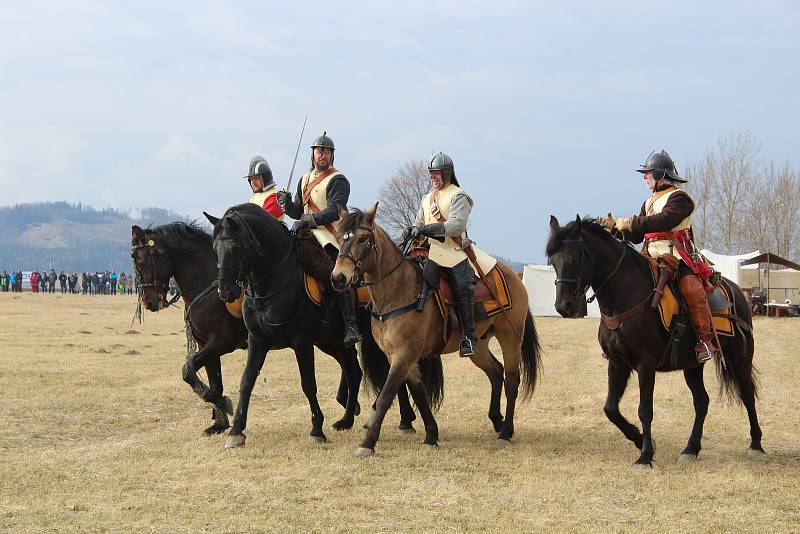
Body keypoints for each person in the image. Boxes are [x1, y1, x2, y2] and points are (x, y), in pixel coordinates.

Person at [600, 150, 717, 363]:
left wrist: (632, 222)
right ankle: (617, 340)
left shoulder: (680, 198)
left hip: (676, 254)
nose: (644, 176)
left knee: (691, 288)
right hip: (648, 255)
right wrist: (615, 228)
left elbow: (663, 221)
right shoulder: (648, 202)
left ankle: (704, 340)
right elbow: (636, 236)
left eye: (648, 172)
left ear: (661, 174)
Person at [405, 152, 496, 357]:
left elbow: (456, 226)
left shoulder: (459, 195)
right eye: (431, 174)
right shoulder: (426, 198)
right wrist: (411, 229)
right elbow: (419, 222)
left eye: (436, 173)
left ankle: (469, 337)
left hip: (453, 251)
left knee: (461, 287)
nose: (433, 177)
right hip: (429, 251)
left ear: (447, 173)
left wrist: (427, 229)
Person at [277, 131, 361, 347]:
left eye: (326, 151)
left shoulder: (338, 180)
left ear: (332, 155)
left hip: (329, 236)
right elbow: (298, 211)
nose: (322, 154)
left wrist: (307, 220)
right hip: (303, 234)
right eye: (319, 150)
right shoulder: (304, 179)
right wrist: (287, 204)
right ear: (313, 154)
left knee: (334, 273)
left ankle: (351, 324)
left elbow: (334, 211)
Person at [245, 156, 284, 220]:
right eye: (251, 179)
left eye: (256, 178)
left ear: (265, 178)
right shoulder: (254, 197)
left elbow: (260, 220)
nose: (253, 183)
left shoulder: (274, 198)